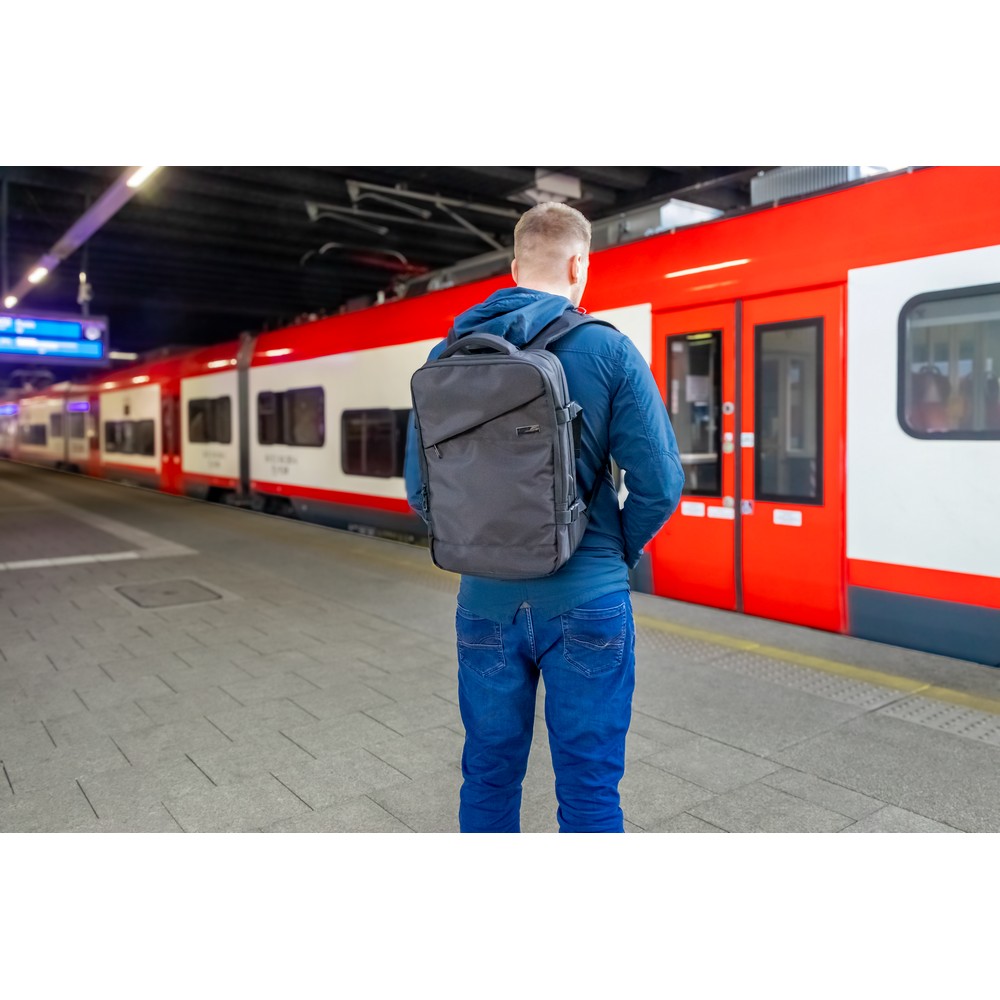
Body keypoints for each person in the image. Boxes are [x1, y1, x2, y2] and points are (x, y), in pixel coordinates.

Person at [404, 201, 684, 833]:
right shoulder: (607, 348)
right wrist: (613, 551)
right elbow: (661, 484)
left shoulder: (447, 355)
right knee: (590, 788)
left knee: (488, 773)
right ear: (579, 265)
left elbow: (421, 490)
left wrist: (481, 541)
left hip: (484, 602)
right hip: (588, 598)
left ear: (513, 267)